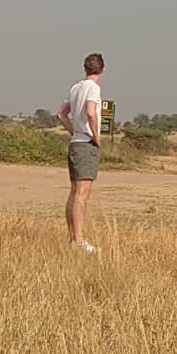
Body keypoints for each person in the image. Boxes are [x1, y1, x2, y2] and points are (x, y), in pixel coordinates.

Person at [61, 52, 104, 252]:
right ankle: (78, 240)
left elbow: (61, 113)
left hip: (75, 142)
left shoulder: (75, 87)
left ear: (85, 68)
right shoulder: (93, 88)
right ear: (102, 70)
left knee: (74, 192)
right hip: (86, 144)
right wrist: (95, 135)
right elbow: (90, 111)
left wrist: (73, 130)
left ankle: (73, 238)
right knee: (82, 194)